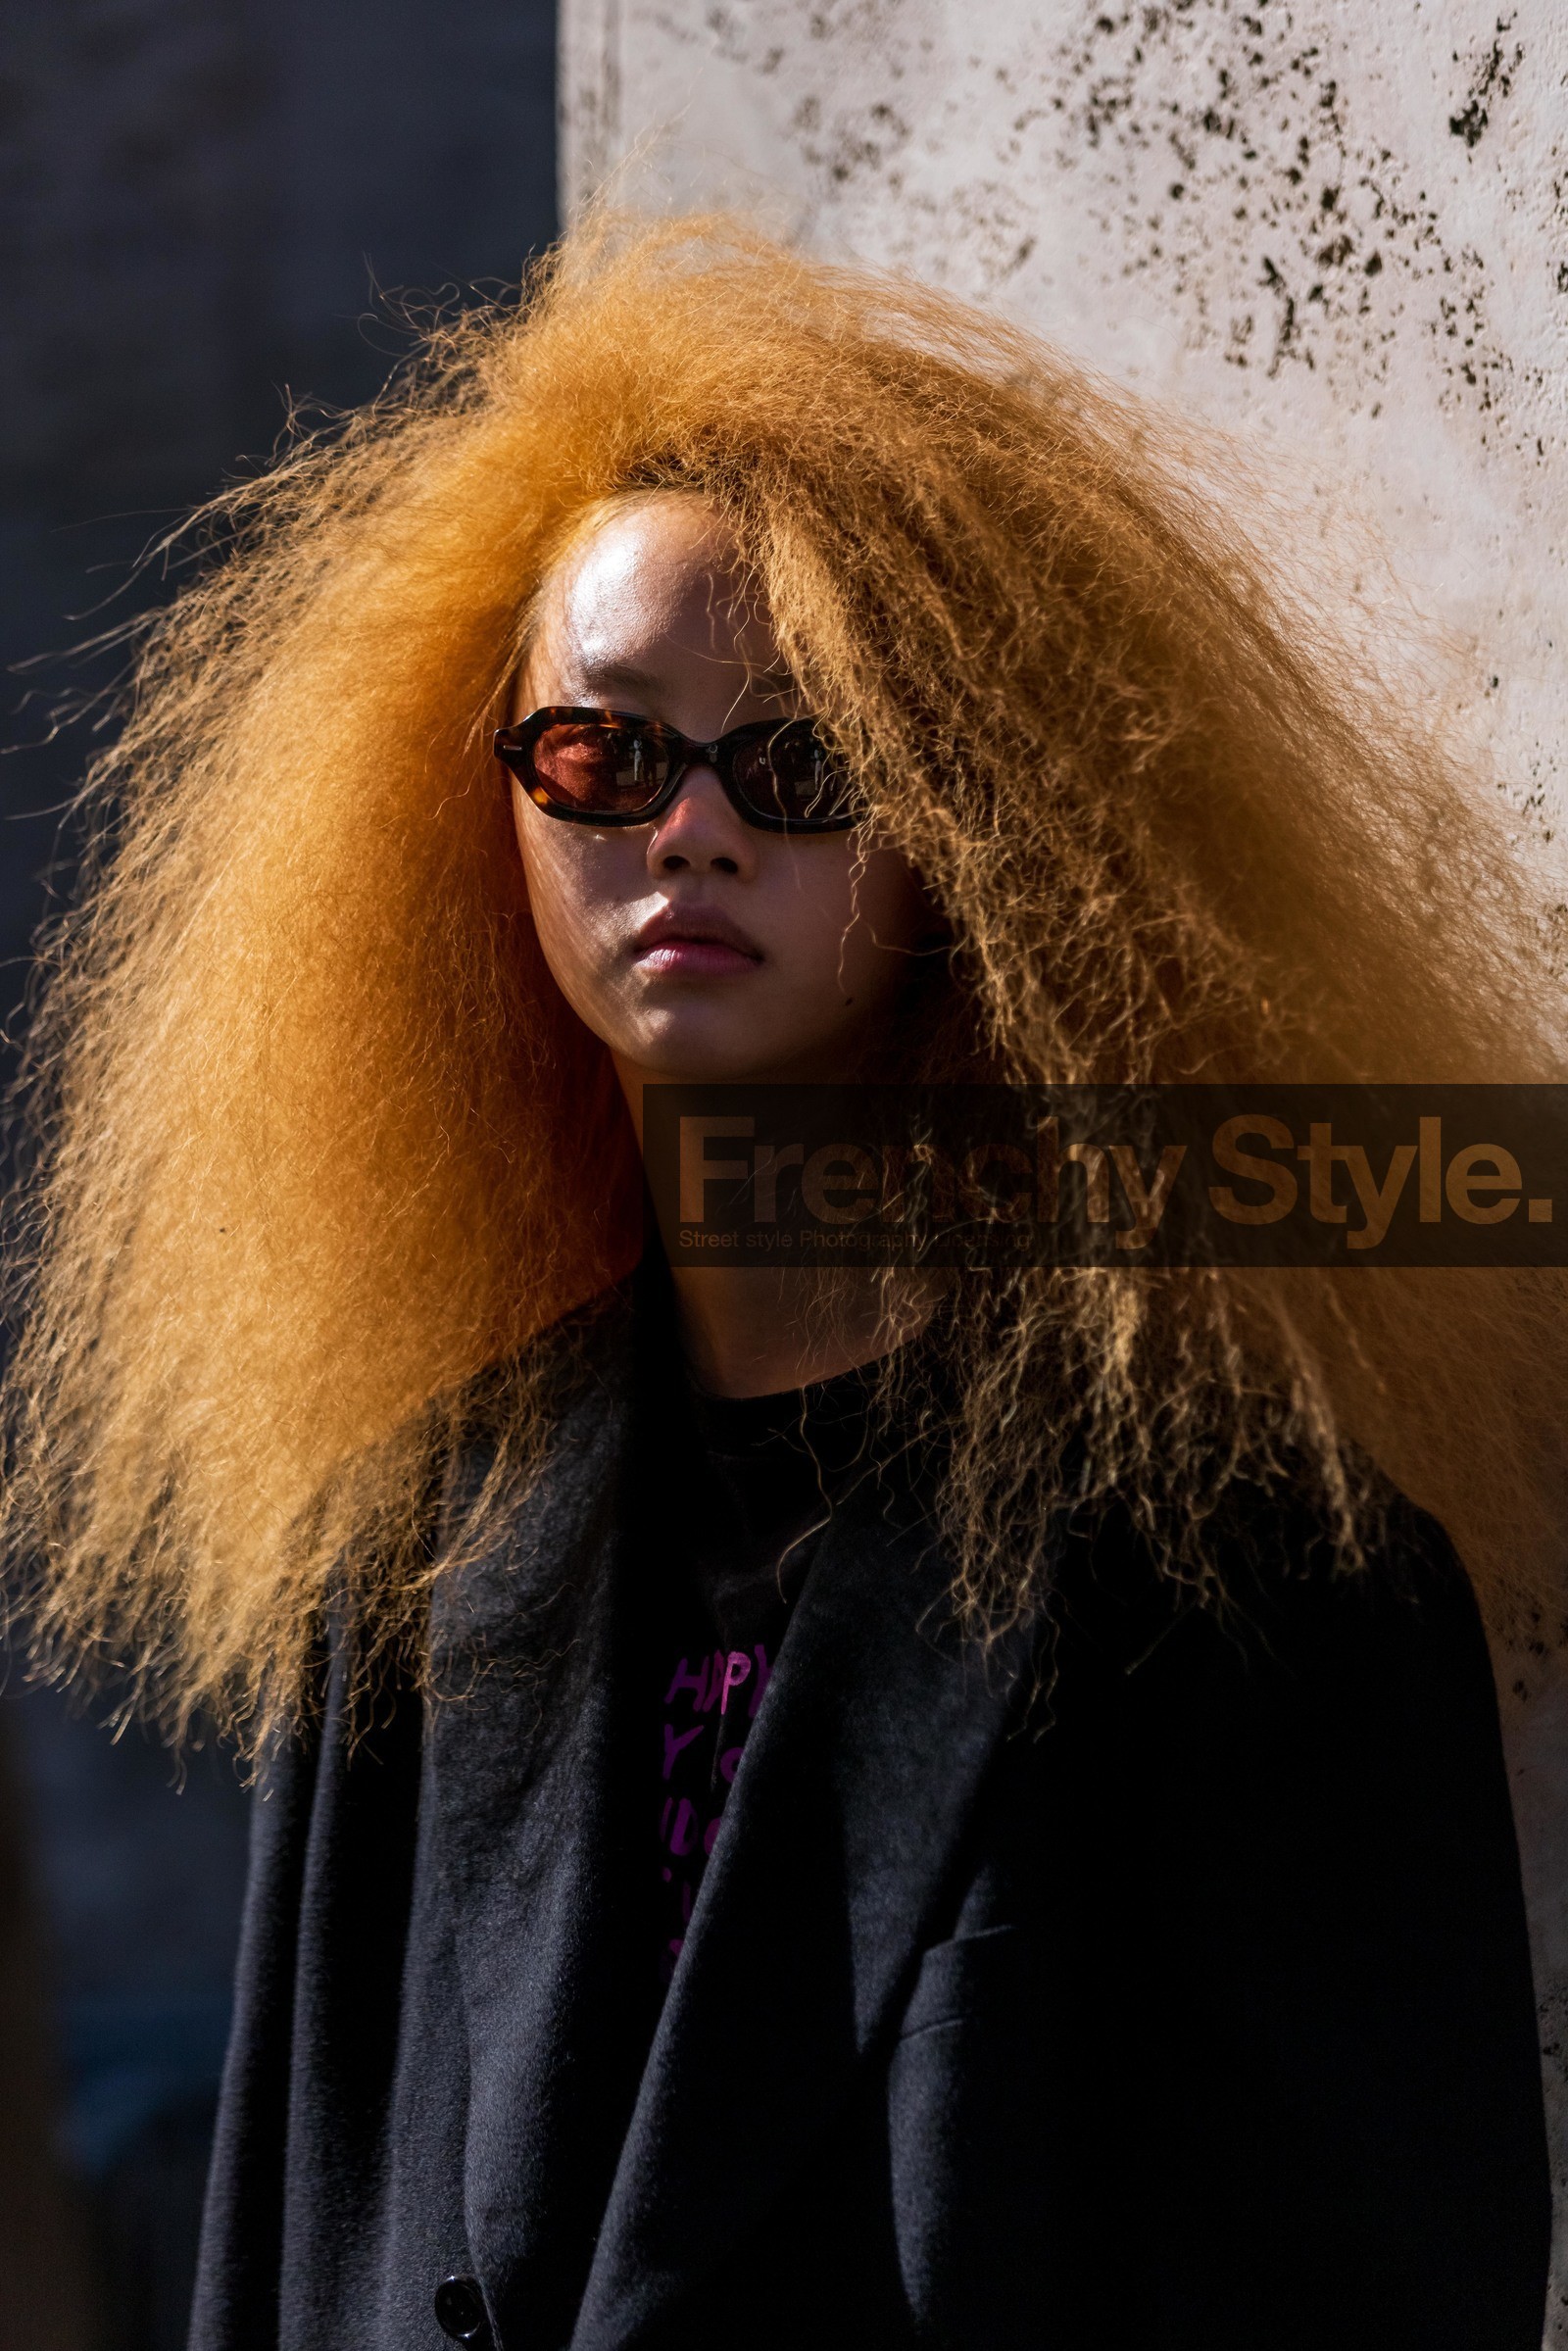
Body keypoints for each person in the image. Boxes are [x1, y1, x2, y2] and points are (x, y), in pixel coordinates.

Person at [1, 216, 1561, 2349]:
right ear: (491, 808)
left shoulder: (1257, 1567)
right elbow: (291, 2246)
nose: (691, 834)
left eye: (807, 762)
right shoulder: (411, 1552)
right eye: (603, 754)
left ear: (973, 837)